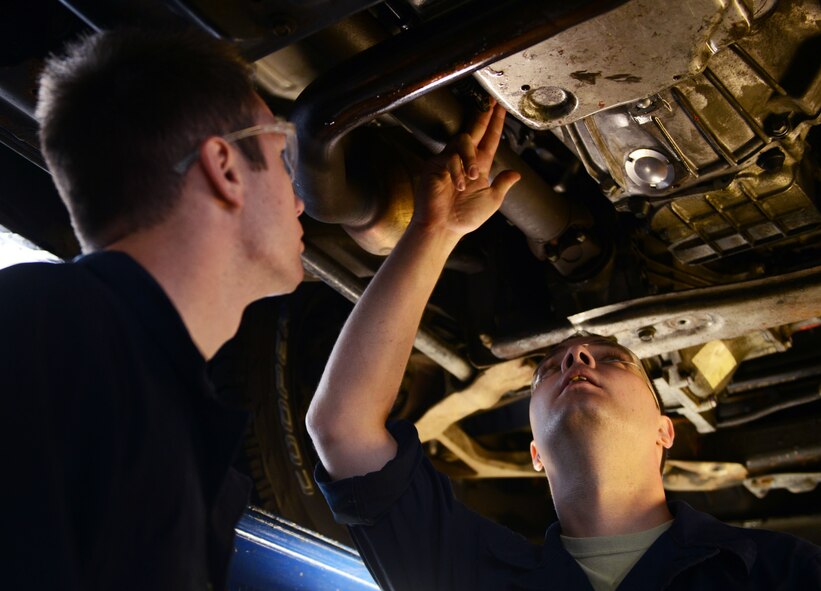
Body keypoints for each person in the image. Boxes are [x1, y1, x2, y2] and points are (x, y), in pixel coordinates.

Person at [305, 105, 821, 589]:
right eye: (545, 372)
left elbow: (341, 430)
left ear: (664, 430)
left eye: (615, 359)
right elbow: (343, 428)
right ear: (535, 453)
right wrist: (433, 230)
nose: (576, 356)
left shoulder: (778, 570)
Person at [1, 28, 304, 590]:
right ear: (226, 168)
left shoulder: (149, 402)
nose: (301, 197)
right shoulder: (41, 332)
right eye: (283, 158)